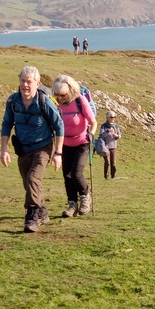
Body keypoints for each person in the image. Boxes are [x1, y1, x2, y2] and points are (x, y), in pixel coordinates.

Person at [0, 66, 65, 232]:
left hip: (43, 147)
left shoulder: (45, 102)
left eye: (29, 82)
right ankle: (42, 211)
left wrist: (58, 153)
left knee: (33, 179)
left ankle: (32, 215)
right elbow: (7, 124)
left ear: (38, 83)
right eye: (23, 81)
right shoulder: (13, 101)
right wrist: (4, 150)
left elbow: (59, 126)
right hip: (22, 149)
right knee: (28, 183)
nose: (25, 85)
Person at [51, 75, 96, 217]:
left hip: (82, 142)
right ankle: (72, 205)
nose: (60, 98)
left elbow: (93, 122)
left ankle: (85, 197)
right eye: (57, 95)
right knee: (67, 175)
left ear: (71, 91)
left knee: (76, 173)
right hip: (65, 143)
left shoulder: (80, 101)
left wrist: (91, 134)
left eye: (63, 95)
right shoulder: (56, 104)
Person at [99, 111, 121, 179]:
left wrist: (116, 136)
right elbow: (101, 135)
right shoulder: (103, 126)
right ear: (107, 117)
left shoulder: (116, 126)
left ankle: (113, 176)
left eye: (114, 117)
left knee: (113, 162)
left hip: (113, 146)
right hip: (105, 146)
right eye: (111, 117)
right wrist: (107, 131)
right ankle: (106, 176)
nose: (113, 118)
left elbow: (120, 135)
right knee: (107, 162)